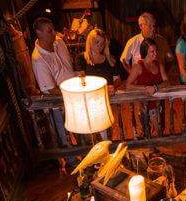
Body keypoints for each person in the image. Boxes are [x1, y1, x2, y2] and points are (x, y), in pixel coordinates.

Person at [31, 17, 83, 169]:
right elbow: (49, 89)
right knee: (63, 132)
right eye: (50, 31)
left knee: (81, 127)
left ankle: (87, 154)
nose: (54, 33)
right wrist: (71, 90)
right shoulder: (39, 59)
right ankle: (72, 162)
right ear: (38, 33)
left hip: (75, 94)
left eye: (54, 29)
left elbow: (68, 67)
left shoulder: (59, 42)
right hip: (59, 100)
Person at [126, 38, 168, 136]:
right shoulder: (139, 65)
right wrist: (146, 88)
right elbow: (128, 85)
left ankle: (152, 147)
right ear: (145, 52)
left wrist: (156, 87)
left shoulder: (158, 64)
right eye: (152, 51)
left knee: (158, 129)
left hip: (158, 102)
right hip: (147, 104)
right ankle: (151, 147)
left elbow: (167, 81)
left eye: (156, 50)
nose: (155, 53)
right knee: (158, 129)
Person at [75, 28, 125, 93]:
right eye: (97, 42)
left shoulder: (110, 59)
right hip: (90, 95)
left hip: (109, 95)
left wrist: (113, 86)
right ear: (90, 41)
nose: (99, 45)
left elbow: (117, 79)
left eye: (102, 43)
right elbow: (82, 80)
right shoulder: (81, 58)